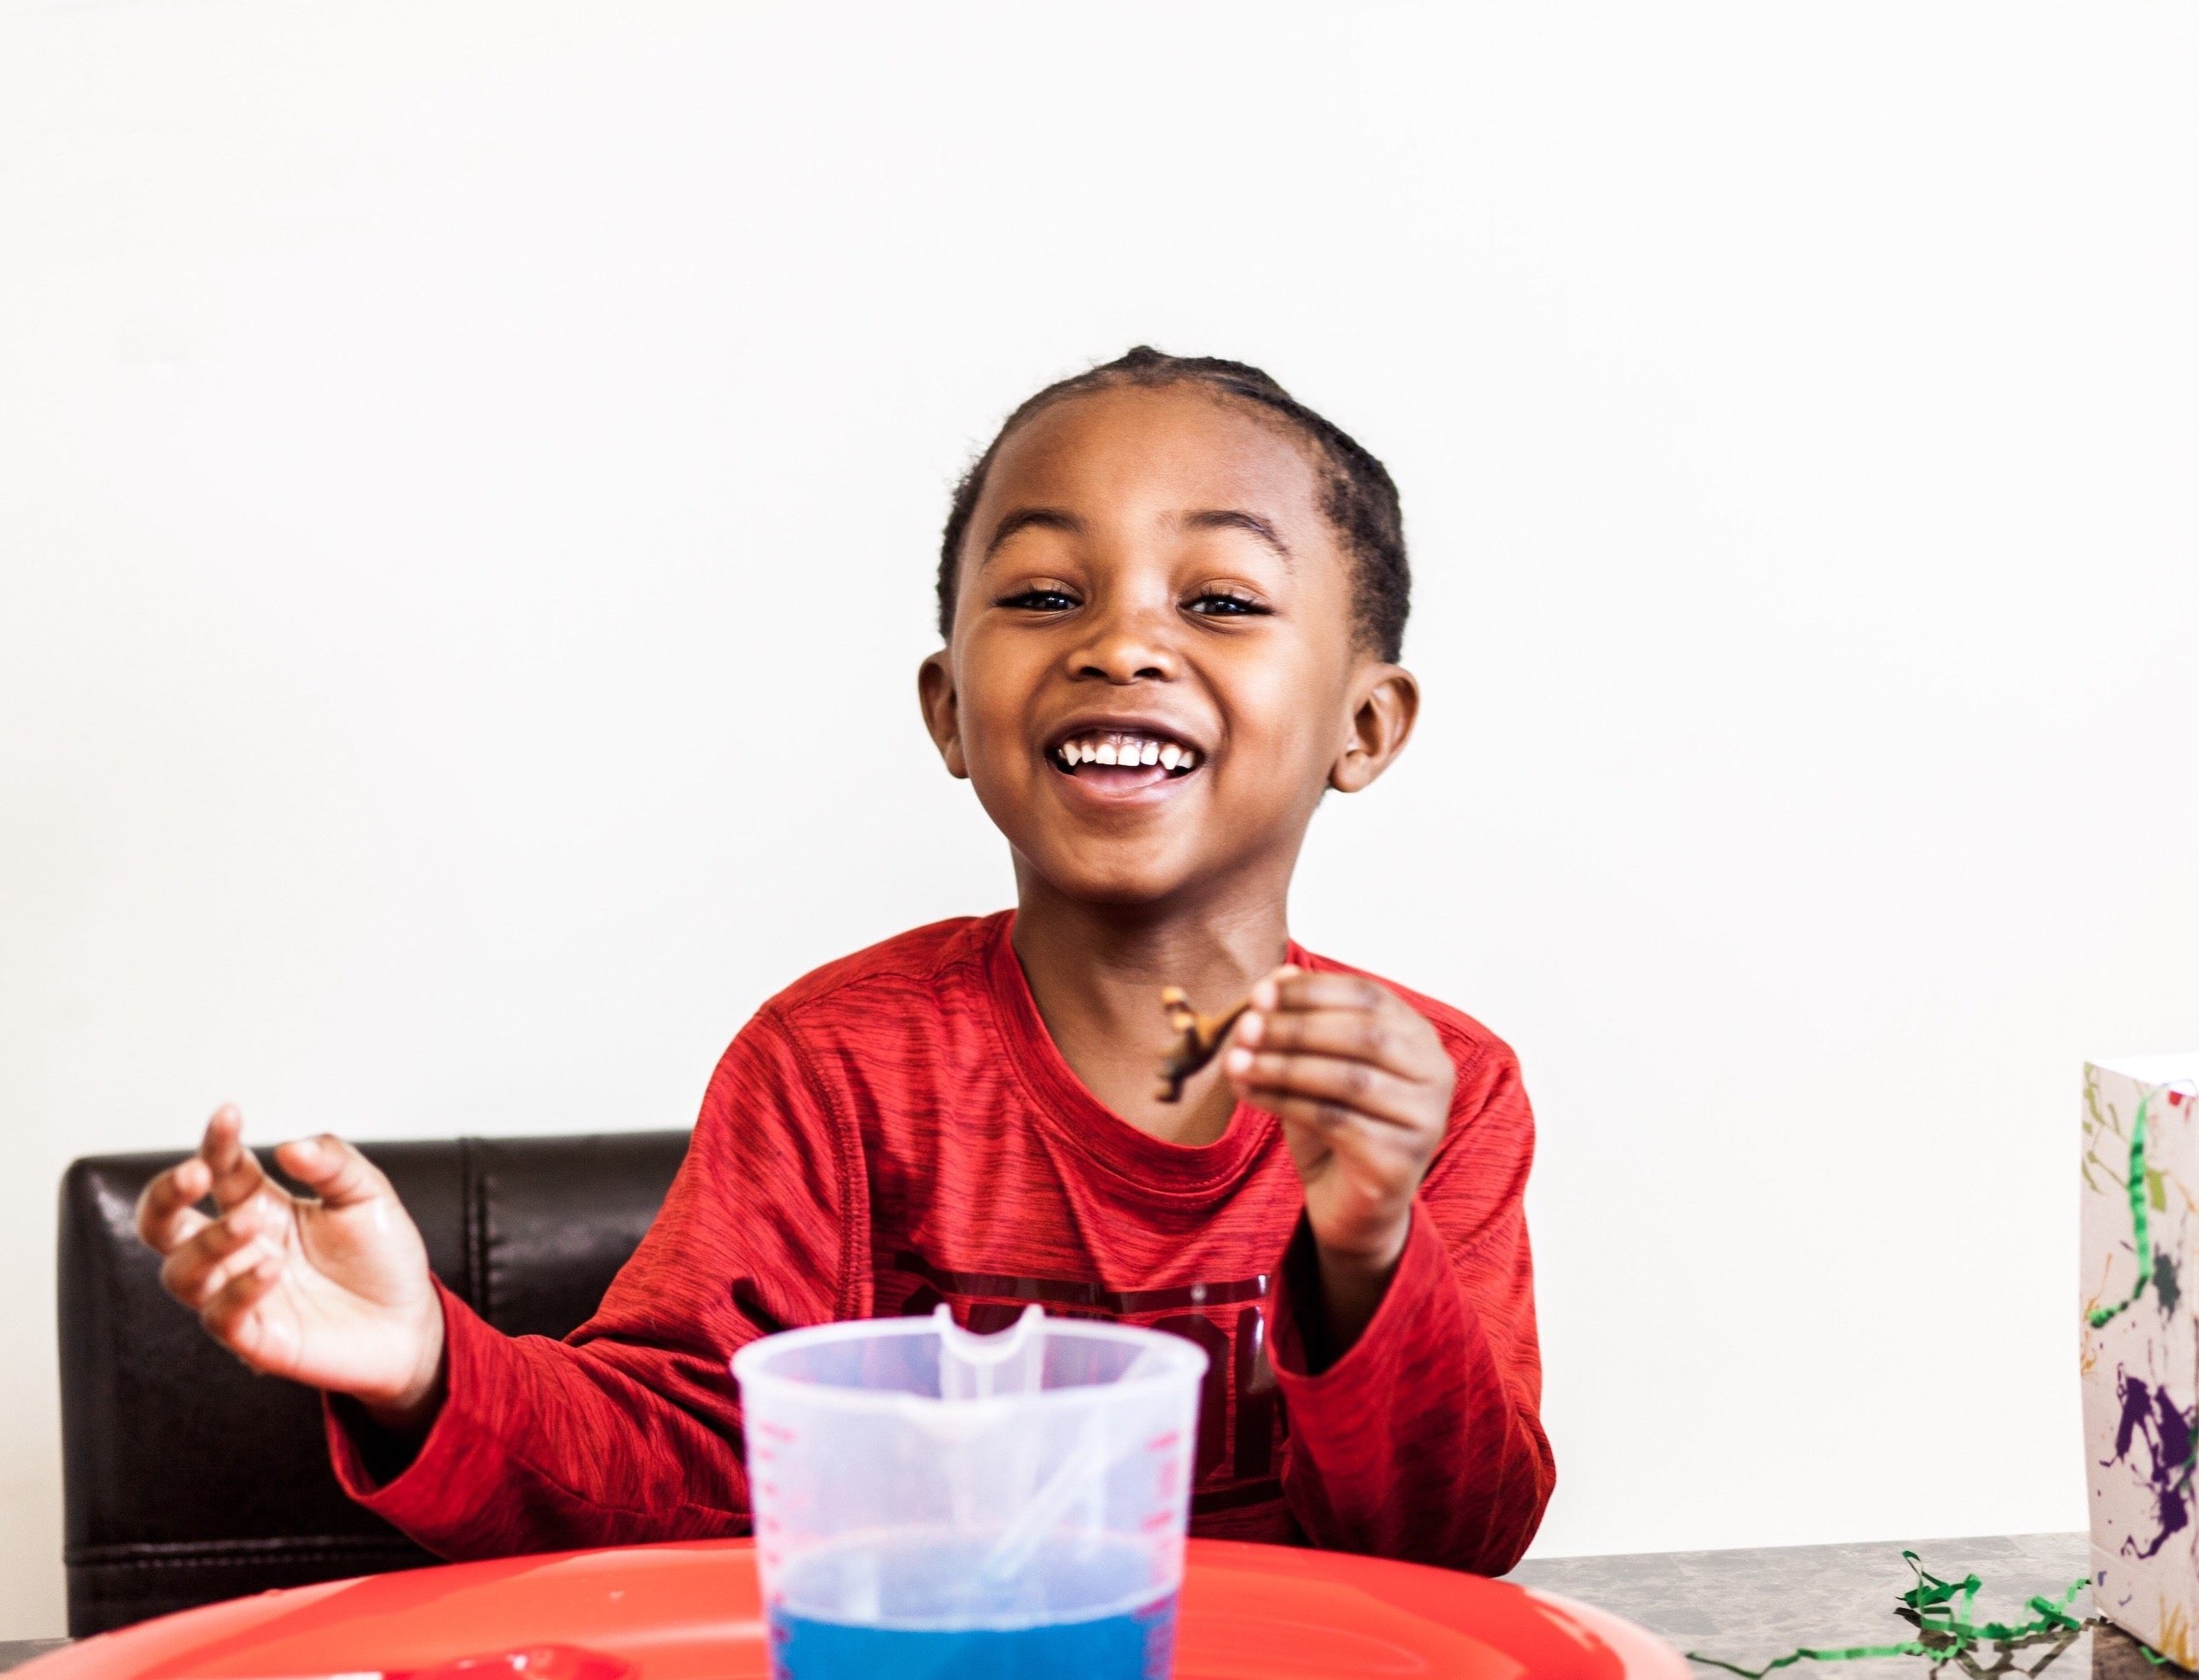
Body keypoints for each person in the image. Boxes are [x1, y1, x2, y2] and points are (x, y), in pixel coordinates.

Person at [136, 348, 1555, 1573]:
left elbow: (1452, 1550)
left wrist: (1368, 1253)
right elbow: (678, 1468)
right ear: (949, 709)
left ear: (1366, 726)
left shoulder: (1446, 1097)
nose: (1123, 643)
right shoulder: (834, 1063)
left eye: (1224, 602)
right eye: (1046, 596)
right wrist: (434, 1370)